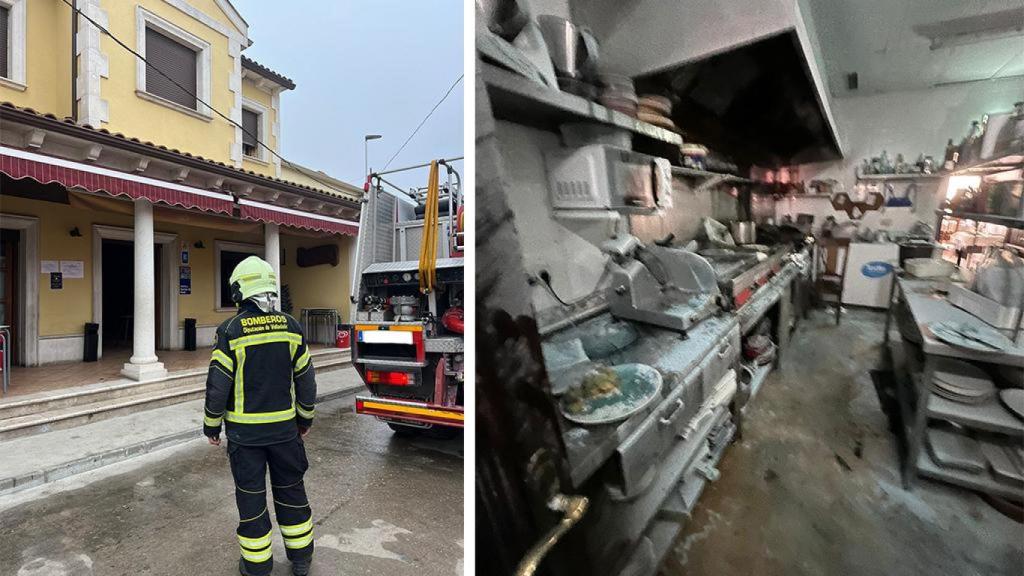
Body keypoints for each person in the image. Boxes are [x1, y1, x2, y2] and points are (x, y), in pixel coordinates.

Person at [203, 255, 317, 576]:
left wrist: (211, 425)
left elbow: (218, 384)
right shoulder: (291, 326)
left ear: (240, 290)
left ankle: (257, 566)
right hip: (285, 434)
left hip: (245, 437)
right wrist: (304, 418)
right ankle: (301, 559)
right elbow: (306, 379)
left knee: (252, 499)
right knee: (292, 491)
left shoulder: (230, 330)